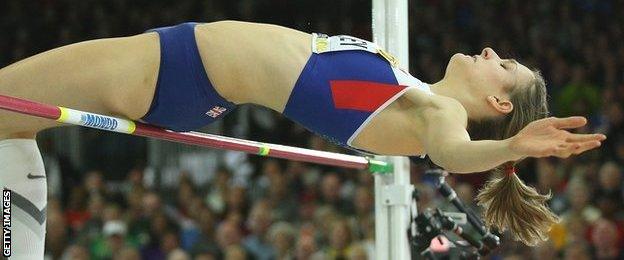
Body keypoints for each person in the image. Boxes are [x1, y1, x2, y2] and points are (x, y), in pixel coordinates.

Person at [0, 21, 606, 258]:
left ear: (500, 104)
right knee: (12, 126)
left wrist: (510, 150)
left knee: (4, 102)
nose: (492, 52)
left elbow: (452, 154)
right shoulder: (416, 88)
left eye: (505, 66)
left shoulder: (437, 111)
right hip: (185, 72)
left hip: (177, 70)